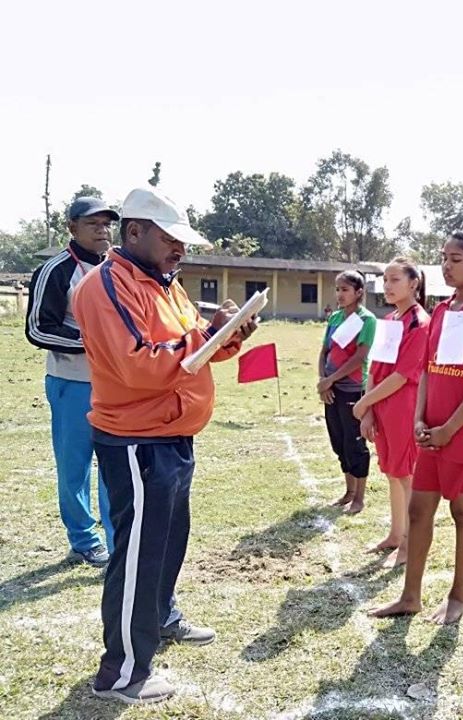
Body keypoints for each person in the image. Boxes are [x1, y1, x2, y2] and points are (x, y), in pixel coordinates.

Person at [73, 187, 257, 704]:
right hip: (136, 439)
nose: (181, 249)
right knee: (138, 552)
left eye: (183, 241)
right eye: (170, 239)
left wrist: (229, 333)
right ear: (135, 232)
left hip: (172, 435)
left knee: (168, 541)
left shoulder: (163, 284)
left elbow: (191, 349)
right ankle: (123, 671)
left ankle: (159, 618)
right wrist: (206, 338)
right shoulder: (106, 285)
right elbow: (140, 362)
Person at [372, 229, 463, 624]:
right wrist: (419, 416)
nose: (446, 265)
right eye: (444, 257)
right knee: (418, 510)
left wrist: (450, 427)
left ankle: (458, 595)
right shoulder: (444, 312)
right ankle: (410, 595)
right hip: (430, 431)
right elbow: (429, 370)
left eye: (456, 259)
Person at [25, 197, 119, 567]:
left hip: (115, 386)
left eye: (106, 224)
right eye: (93, 224)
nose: (102, 230)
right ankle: (83, 539)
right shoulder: (57, 270)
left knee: (114, 464)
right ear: (72, 227)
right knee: (74, 466)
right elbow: (37, 328)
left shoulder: (118, 268)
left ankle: (117, 540)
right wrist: (91, 345)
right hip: (72, 383)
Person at [353, 258, 430, 567]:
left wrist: (363, 403)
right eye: (385, 279)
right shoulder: (390, 319)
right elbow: (376, 367)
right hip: (382, 404)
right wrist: (369, 407)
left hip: (403, 406)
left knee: (407, 475)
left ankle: (409, 545)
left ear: (414, 283)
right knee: (392, 473)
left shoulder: (419, 323)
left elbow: (402, 375)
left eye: (395, 279)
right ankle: (395, 534)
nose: (387, 285)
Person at [318, 271, 377, 514]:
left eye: (345, 289)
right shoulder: (334, 319)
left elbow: (359, 357)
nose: (340, 294)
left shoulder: (367, 320)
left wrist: (331, 379)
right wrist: (323, 381)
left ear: (359, 292)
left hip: (352, 389)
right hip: (331, 389)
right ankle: (349, 490)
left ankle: (359, 497)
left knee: (355, 443)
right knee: (338, 441)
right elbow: (325, 351)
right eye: (337, 289)